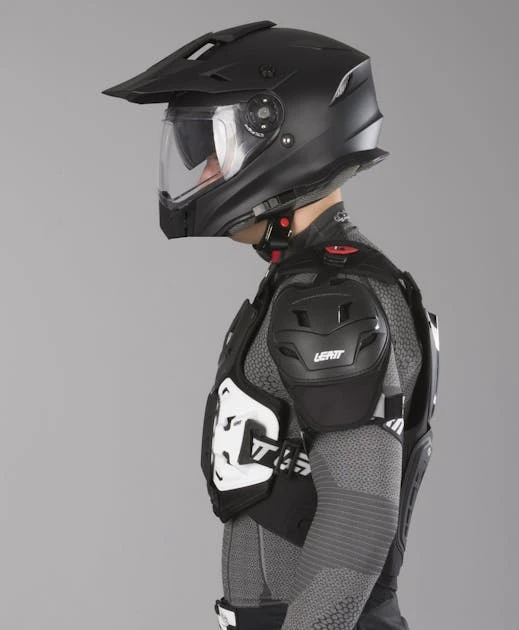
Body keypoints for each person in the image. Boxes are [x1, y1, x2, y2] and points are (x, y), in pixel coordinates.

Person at [103, 20, 439, 630]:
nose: (206, 171)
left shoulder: (331, 300)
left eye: (215, 145)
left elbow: (359, 519)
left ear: (285, 139)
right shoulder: (316, 284)